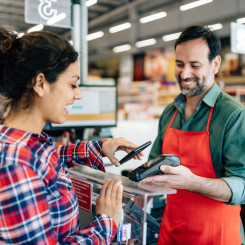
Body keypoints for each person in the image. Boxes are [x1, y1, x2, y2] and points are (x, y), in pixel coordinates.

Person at [0, 27, 143, 244]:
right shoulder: (16, 162)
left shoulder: (26, 141)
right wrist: (106, 223)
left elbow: (46, 159)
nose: (78, 94)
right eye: (72, 84)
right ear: (40, 83)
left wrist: (99, 147)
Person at [142, 25, 245, 244]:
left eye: (195, 65)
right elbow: (154, 164)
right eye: (179, 64)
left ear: (215, 64)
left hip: (216, 235)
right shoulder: (170, 112)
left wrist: (193, 182)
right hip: (172, 231)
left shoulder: (233, 115)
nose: (185, 73)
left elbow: (242, 185)